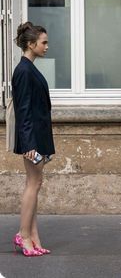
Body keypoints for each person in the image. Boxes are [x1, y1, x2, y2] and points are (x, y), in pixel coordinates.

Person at [12, 22, 55, 257]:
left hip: (37, 137)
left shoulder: (29, 68)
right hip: (32, 139)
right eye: (44, 42)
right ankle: (23, 235)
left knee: (35, 184)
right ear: (31, 44)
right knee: (33, 184)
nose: (47, 46)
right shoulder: (23, 71)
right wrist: (28, 145)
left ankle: (33, 236)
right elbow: (23, 110)